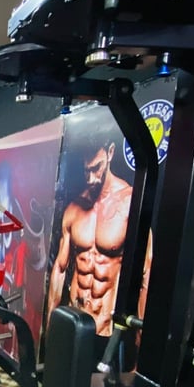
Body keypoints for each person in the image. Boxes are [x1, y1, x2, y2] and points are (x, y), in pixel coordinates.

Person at [46, 133, 132, 336]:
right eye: (87, 171)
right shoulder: (74, 208)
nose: (91, 179)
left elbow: (145, 274)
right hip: (74, 320)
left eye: (96, 168)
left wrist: (138, 341)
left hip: (105, 327)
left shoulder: (129, 203)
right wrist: (50, 324)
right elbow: (60, 268)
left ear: (110, 153)